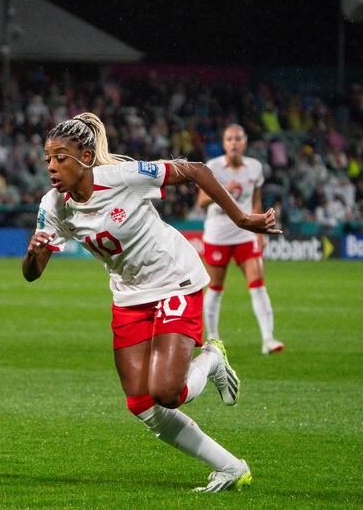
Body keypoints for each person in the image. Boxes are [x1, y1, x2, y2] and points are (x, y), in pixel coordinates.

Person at [22, 113, 280, 492]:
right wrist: (34, 252)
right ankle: (230, 466)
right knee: (141, 403)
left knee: (166, 393)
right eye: (48, 158)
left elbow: (193, 169)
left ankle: (210, 357)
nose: (51, 166)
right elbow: (32, 273)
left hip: (175, 278)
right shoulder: (54, 205)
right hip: (129, 295)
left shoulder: (123, 179)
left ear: (87, 158)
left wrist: (241, 218)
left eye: (61, 157)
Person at [198, 124, 284, 355]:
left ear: (244, 142)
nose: (234, 143)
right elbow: (201, 201)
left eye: (238, 138)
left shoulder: (255, 167)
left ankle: (268, 339)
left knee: (258, 284)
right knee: (215, 288)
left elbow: (256, 202)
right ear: (224, 143)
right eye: (229, 139)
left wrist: (259, 232)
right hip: (217, 235)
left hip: (244, 234)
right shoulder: (212, 167)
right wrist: (222, 190)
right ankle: (213, 338)